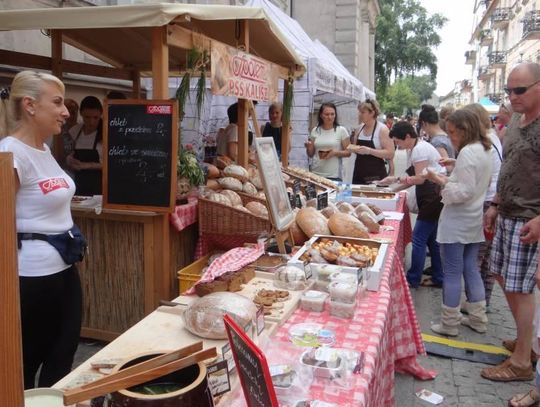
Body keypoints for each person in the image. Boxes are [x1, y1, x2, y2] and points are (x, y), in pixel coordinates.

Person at [0, 70, 82, 388]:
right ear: (30, 106)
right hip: (30, 279)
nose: (65, 112)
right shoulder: (10, 153)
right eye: (58, 102)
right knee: (27, 360)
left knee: (62, 356)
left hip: (63, 268)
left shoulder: (44, 149)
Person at [481, 62, 540, 383]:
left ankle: (521, 362)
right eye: (508, 90)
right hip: (507, 213)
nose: (512, 96)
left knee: (521, 288)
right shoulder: (517, 121)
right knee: (505, 280)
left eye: (519, 90)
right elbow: (511, 167)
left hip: (529, 219)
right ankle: (525, 343)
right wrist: (495, 204)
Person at [424, 109, 492, 337]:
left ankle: (450, 323)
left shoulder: (468, 152)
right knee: (471, 269)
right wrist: (454, 168)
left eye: (453, 132)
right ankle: (478, 319)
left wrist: (440, 180)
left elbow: (463, 190)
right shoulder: (484, 148)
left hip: (458, 220)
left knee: (452, 272)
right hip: (473, 220)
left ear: (465, 129)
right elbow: (474, 180)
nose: (450, 136)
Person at [382, 121, 445, 288]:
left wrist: (395, 180)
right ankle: (438, 277)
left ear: (408, 137)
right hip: (432, 195)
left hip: (432, 196)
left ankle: (413, 279)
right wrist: (392, 190)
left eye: (398, 141)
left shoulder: (419, 150)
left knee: (418, 238)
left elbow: (419, 178)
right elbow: (413, 178)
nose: (397, 145)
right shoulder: (416, 148)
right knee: (432, 239)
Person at [463, 103, 503, 308]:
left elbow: (482, 178)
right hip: (492, 201)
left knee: (475, 258)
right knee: (485, 259)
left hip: (485, 202)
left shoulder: (483, 144)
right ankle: (482, 301)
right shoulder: (493, 139)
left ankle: (475, 303)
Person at [347, 99, 394, 184]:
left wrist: (369, 151)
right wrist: (353, 148)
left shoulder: (382, 130)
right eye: (359, 112)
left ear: (372, 113)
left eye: (362, 112)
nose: (359, 114)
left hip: (376, 176)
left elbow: (390, 153)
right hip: (359, 174)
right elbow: (355, 147)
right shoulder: (359, 128)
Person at [66, 96, 103, 196]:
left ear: (101, 114)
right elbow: (71, 153)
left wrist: (87, 165)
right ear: (81, 114)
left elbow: (111, 164)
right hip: (79, 182)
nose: (92, 122)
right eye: (87, 117)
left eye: (96, 118)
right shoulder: (75, 131)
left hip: (99, 185)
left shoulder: (106, 133)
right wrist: (69, 159)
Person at [305, 102, 350, 181]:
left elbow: (348, 152)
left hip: (334, 176)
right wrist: (308, 147)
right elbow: (311, 154)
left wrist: (335, 153)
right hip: (315, 174)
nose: (330, 117)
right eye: (327, 114)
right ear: (321, 115)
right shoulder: (315, 130)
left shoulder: (341, 130)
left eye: (332, 114)